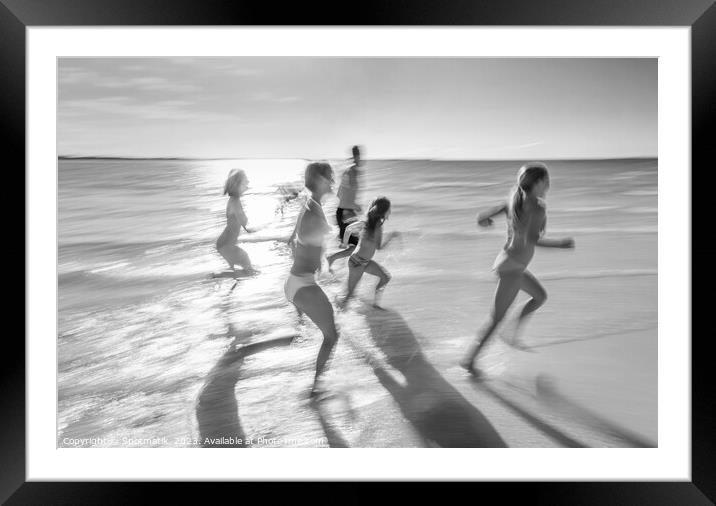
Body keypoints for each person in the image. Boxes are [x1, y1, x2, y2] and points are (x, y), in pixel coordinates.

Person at [460, 162, 575, 376]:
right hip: (511, 269)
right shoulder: (538, 207)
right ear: (538, 182)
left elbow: (482, 217)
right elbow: (534, 240)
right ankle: (469, 360)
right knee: (496, 318)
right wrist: (561, 244)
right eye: (547, 181)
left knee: (539, 296)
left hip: (510, 263)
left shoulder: (514, 197)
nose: (549, 185)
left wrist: (485, 222)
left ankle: (510, 334)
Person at [285, 162, 340, 397]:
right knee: (332, 336)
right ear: (319, 179)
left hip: (298, 283)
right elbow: (305, 235)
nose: (333, 180)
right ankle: (316, 390)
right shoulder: (312, 207)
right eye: (330, 177)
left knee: (310, 333)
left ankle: (316, 386)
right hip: (302, 285)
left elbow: (294, 240)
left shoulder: (311, 204)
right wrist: (325, 234)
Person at [337, 197, 400, 310]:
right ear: (382, 211)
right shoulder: (372, 226)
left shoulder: (369, 224)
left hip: (363, 262)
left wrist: (345, 244)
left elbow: (348, 230)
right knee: (350, 295)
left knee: (385, 277)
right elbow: (379, 247)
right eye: (389, 210)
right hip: (357, 263)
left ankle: (375, 305)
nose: (390, 212)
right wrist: (391, 237)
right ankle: (337, 316)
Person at [327, 145, 364, 271]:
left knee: (354, 245)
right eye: (359, 156)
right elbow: (345, 197)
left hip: (344, 212)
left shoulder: (347, 173)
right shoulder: (352, 173)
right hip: (345, 213)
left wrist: (351, 207)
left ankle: (338, 264)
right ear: (356, 157)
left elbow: (339, 194)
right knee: (355, 246)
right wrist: (354, 206)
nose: (360, 159)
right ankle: (331, 259)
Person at [215, 169, 255, 273]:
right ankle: (213, 277)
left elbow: (243, 223)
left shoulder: (234, 200)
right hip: (226, 245)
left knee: (238, 271)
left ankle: (219, 279)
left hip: (225, 244)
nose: (248, 182)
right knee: (247, 265)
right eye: (245, 180)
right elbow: (244, 222)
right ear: (238, 184)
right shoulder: (235, 201)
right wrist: (253, 228)